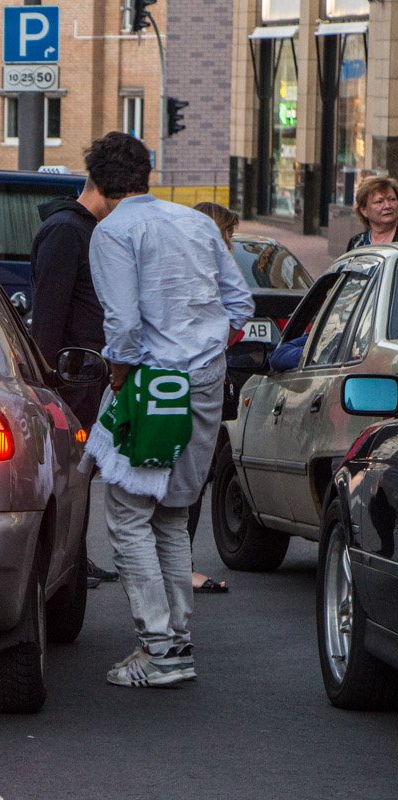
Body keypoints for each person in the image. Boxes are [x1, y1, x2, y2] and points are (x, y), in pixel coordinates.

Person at [84, 132, 254, 687]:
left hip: (151, 382)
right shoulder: (197, 223)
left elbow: (123, 323)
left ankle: (159, 649)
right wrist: (207, 351)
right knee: (173, 515)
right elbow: (240, 303)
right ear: (147, 173)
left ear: (97, 182)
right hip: (203, 379)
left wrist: (121, 376)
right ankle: (175, 642)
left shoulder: (113, 231)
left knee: (129, 514)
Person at [29, 180, 119, 590]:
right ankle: (70, 563)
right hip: (71, 377)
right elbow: (49, 314)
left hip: (83, 374)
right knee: (71, 474)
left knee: (80, 475)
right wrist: (50, 378)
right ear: (104, 187)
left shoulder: (81, 229)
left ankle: (77, 558)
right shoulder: (67, 230)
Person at [187, 201, 242, 595]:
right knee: (189, 475)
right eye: (229, 234)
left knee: (189, 475)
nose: (231, 243)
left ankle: (171, 562)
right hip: (194, 386)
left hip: (195, 383)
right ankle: (178, 566)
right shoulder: (203, 274)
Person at [346, 175, 398, 251]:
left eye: (392, 199)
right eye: (379, 201)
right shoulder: (357, 243)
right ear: (364, 210)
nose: (387, 206)